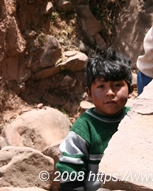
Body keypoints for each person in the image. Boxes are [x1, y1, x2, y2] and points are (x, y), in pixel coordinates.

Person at [56, 48, 133, 191]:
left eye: (117, 85)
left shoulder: (134, 119)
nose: (110, 93)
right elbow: (69, 171)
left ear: (131, 89)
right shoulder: (84, 128)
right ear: (89, 93)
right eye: (101, 86)